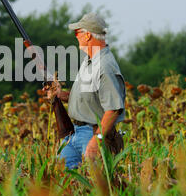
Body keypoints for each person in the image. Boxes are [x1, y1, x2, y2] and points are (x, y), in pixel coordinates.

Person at [46, 12, 126, 169]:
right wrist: (60, 95)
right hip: (73, 133)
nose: (75, 37)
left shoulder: (104, 66)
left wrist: (97, 139)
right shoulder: (89, 61)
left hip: (91, 134)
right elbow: (86, 98)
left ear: (88, 35)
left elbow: (114, 109)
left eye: (77, 32)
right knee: (64, 182)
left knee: (95, 186)